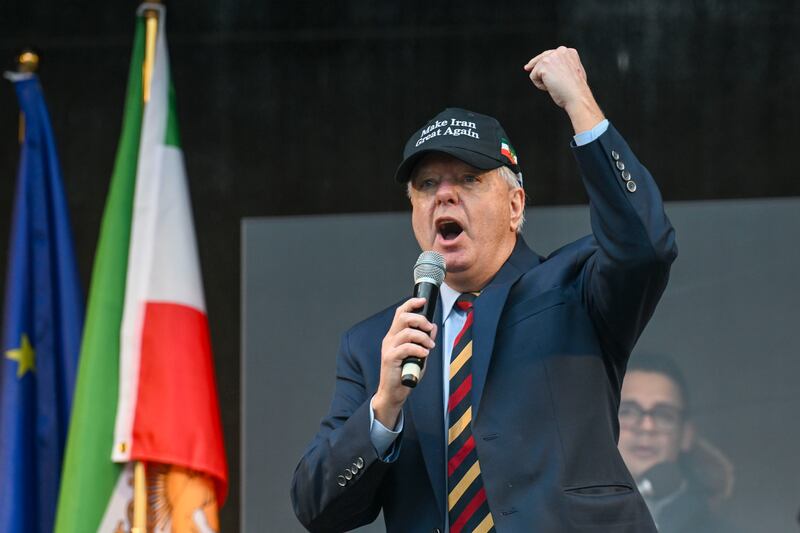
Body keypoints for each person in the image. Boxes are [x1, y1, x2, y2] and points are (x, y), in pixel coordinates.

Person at [291, 46, 677, 532]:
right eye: (427, 184)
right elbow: (316, 508)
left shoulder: (574, 289)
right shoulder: (376, 345)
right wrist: (384, 406)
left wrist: (580, 103)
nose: (444, 195)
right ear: (414, 213)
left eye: (469, 179)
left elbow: (646, 244)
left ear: (516, 206)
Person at [619, 354, 736, 533]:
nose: (647, 427)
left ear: (686, 435)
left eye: (664, 415)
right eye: (628, 412)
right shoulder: (565, 516)